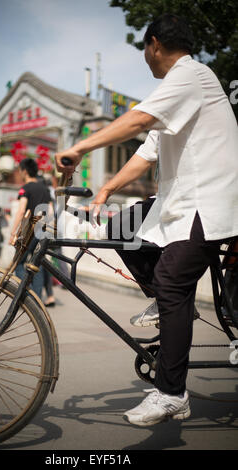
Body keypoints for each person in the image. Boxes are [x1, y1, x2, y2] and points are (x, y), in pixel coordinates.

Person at [55, 14, 238, 426]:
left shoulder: (191, 76)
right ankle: (172, 305)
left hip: (205, 204)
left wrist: (81, 146)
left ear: (153, 44)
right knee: (119, 227)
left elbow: (137, 120)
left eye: (144, 48)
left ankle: (172, 393)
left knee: (174, 281)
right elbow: (146, 152)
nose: (145, 55)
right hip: (179, 200)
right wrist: (104, 192)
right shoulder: (178, 90)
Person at [9, 158, 51, 299]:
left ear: (24, 171)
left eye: (20, 170)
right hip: (43, 229)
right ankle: (37, 299)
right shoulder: (45, 189)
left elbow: (21, 211)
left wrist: (14, 232)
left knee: (19, 263)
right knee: (36, 264)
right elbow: (50, 211)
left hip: (29, 230)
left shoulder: (25, 189)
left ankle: (27, 294)